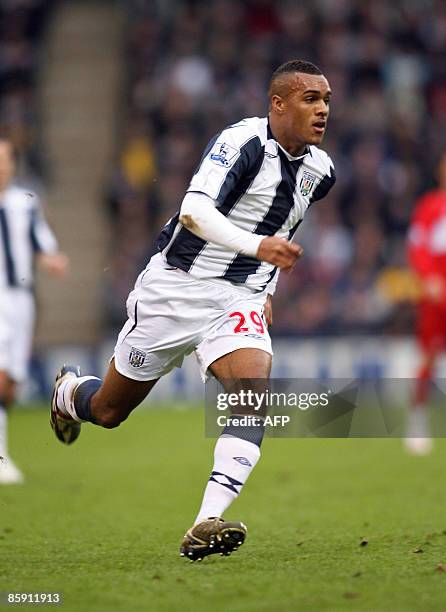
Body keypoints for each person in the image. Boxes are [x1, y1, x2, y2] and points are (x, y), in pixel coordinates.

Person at [50, 60, 335, 559]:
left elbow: (286, 226)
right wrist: (257, 248)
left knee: (251, 396)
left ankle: (206, 521)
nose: (323, 109)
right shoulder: (241, 143)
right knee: (110, 411)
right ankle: (71, 393)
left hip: (238, 299)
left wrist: (263, 287)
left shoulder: (321, 171)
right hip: (176, 290)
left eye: (327, 99)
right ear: (278, 103)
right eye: (310, 98)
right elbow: (194, 212)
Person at [0, 136, 68, 484]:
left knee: (11, 383)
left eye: (4, 159)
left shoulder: (24, 203)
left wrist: (51, 260)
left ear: (13, 164)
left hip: (20, 299)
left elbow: (40, 242)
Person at [406, 148, 446, 454]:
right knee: (430, 357)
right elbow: (417, 246)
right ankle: (417, 420)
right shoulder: (431, 207)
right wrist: (429, 279)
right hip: (438, 301)